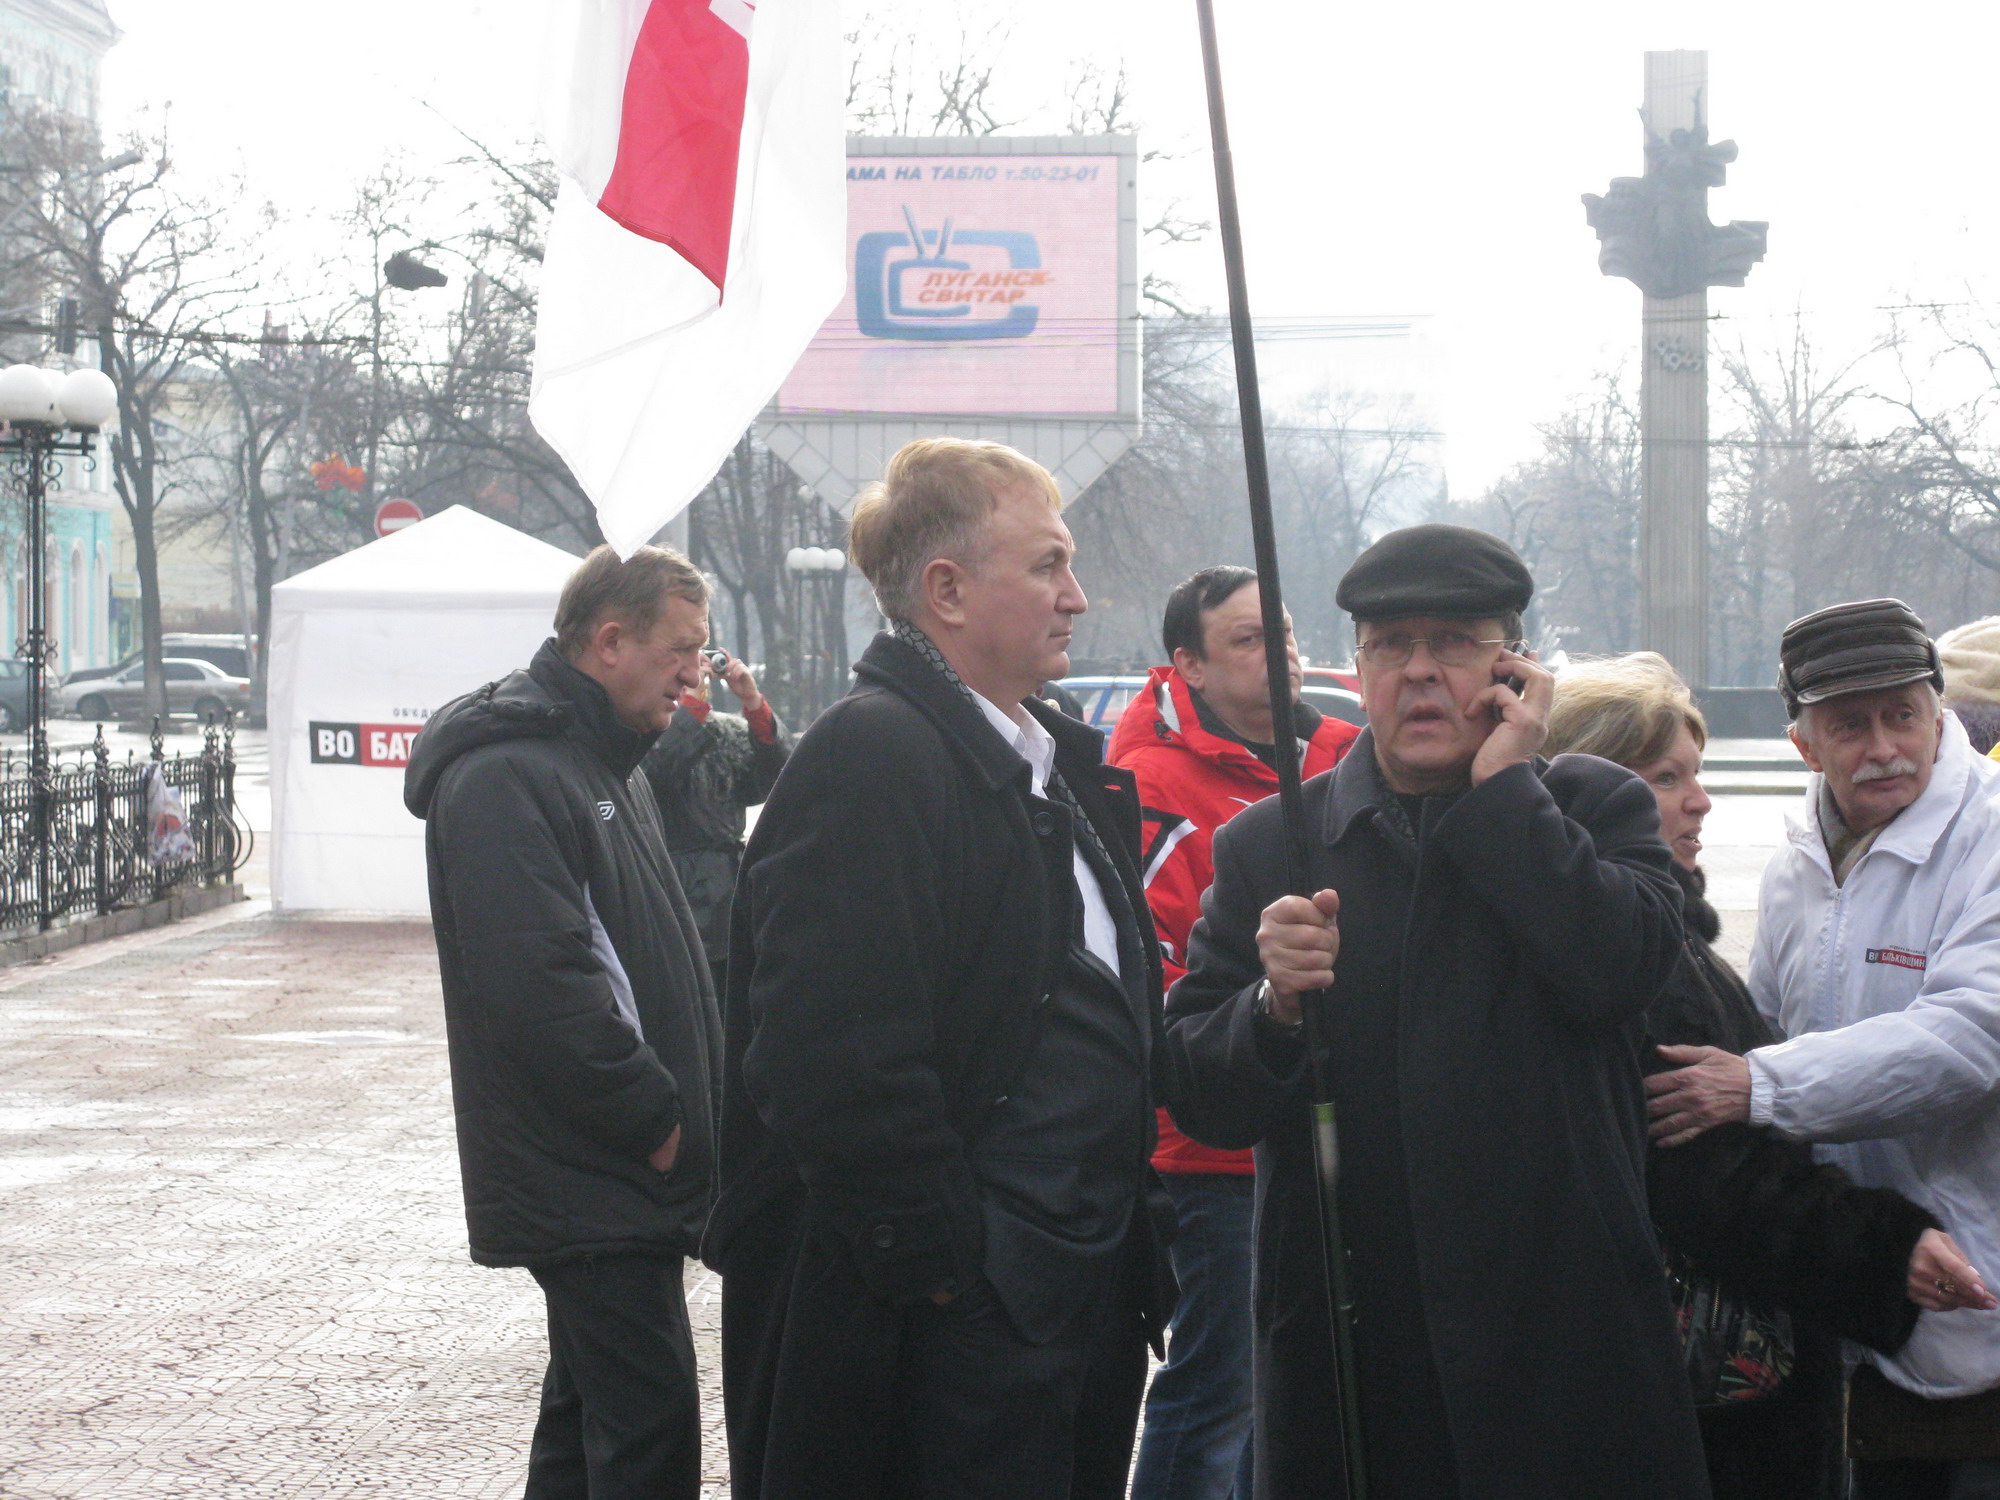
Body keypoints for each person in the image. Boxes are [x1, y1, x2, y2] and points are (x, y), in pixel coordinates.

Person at [1165, 522, 1709, 1500]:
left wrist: (1504, 796)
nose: (1419, 674)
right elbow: (1201, 1093)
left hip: (1563, 1350)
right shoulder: (1269, 845)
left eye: (1452, 645)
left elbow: (1616, 973)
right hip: (1357, 1367)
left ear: (1512, 668)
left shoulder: (1594, 808)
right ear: (1358, 670)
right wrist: (1271, 1004)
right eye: (1389, 647)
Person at [705, 437, 1173, 1500]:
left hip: (1061, 1315)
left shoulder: (1039, 766)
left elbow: (1101, 1022)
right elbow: (832, 1062)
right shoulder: (873, 758)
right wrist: (953, 1279)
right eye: (1048, 565)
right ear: (946, 591)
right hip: (952, 1342)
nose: (1077, 596)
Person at [1549, 652, 1965, 1500]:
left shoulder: (1628, 937)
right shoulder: (1634, 965)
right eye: (1666, 779)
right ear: (1590, 794)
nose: (1700, 802)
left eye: (1695, 775)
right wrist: (1883, 1249)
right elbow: (1711, 1173)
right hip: (1716, 1381)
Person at [1646, 599, 2000, 1500]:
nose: (1884, 745)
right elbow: (1767, 1019)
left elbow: (1968, 1036)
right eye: (1851, 724)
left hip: (1974, 1290)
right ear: (1804, 744)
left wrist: (1759, 1086)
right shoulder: (1796, 860)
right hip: (1847, 1296)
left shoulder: (1990, 836)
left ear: (1939, 714)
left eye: (1903, 715)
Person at [403, 544, 723, 1500]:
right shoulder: (511, 775)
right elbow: (541, 987)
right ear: (611, 640)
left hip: (610, 1172)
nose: (695, 671)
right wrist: (655, 1120)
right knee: (647, 1430)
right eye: (681, 648)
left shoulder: (598, 759)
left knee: (589, 1420)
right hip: (594, 1168)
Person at [1110, 565, 1358, 1500]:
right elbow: (1154, 974)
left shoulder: (1346, 757)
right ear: (1190, 666)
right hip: (1214, 1148)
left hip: (1336, 1130)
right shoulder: (1150, 786)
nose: (1280, 654)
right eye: (1248, 641)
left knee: (1293, 1390)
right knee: (1219, 1386)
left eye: (1284, 634)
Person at [638, 648, 792, 997]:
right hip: (683, 887)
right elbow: (657, 772)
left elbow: (774, 778)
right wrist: (690, 708)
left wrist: (752, 701)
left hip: (734, 884)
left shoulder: (724, 730)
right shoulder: (645, 730)